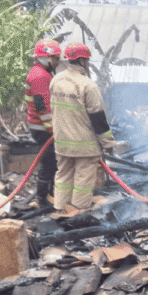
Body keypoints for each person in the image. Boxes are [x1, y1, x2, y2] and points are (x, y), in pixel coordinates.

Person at [50, 42, 116, 213]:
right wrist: (108, 143)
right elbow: (98, 118)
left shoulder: (56, 80)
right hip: (84, 145)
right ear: (81, 60)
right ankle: (77, 213)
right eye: (86, 60)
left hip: (62, 142)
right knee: (82, 181)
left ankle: (60, 209)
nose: (87, 63)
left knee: (63, 176)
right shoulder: (88, 85)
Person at [26, 38, 62, 207]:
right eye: (55, 58)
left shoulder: (42, 73)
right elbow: (41, 104)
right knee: (49, 162)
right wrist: (51, 128)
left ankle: (51, 195)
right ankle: (43, 199)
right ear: (46, 58)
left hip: (41, 126)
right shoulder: (40, 76)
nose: (58, 61)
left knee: (52, 161)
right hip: (42, 128)